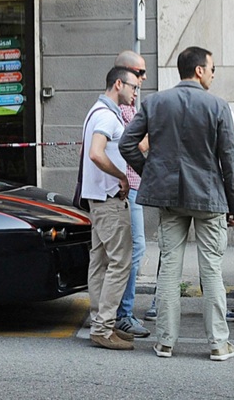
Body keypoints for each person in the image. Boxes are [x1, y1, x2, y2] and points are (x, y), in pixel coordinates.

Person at [120, 46, 234, 361]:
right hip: (209, 197)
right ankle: (218, 344)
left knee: (169, 269)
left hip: (170, 197)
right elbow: (229, 160)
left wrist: (151, 174)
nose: (213, 74)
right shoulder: (218, 106)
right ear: (199, 70)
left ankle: (165, 342)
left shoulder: (156, 102)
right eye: (212, 68)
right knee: (212, 269)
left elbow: (126, 144)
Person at [81, 65, 141, 350]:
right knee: (120, 262)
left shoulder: (96, 111)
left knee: (101, 262)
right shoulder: (106, 115)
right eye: (133, 87)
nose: (135, 92)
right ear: (119, 84)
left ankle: (99, 323)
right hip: (108, 200)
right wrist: (121, 176)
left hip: (98, 198)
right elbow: (96, 153)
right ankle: (104, 327)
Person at [111, 50, 150, 339]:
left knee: (124, 251)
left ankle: (110, 311)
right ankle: (122, 314)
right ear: (122, 77)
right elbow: (133, 145)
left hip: (131, 186)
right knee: (133, 251)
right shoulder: (122, 107)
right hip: (128, 188)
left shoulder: (128, 105)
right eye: (138, 74)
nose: (142, 80)